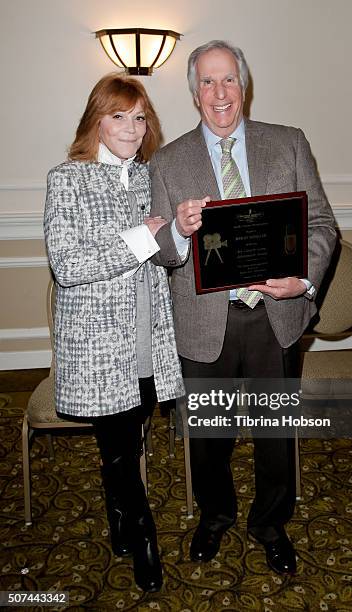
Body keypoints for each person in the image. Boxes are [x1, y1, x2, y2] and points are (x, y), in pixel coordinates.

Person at [149, 40, 337, 575]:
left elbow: (322, 226)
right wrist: (179, 233)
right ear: (194, 93)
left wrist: (301, 280)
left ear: (244, 84)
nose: (219, 92)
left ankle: (270, 522)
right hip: (205, 322)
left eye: (228, 79)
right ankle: (215, 515)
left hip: (274, 317)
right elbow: (159, 249)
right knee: (209, 435)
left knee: (276, 433)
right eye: (207, 82)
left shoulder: (289, 143)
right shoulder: (168, 160)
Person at [44, 73, 184, 593]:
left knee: (127, 439)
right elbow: (67, 264)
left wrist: (179, 235)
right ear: (96, 120)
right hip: (100, 345)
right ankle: (143, 535)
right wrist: (139, 239)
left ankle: (120, 518)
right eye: (119, 116)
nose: (131, 127)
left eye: (140, 117)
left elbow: (165, 253)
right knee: (121, 442)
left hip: (150, 335)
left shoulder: (150, 176)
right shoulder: (68, 178)